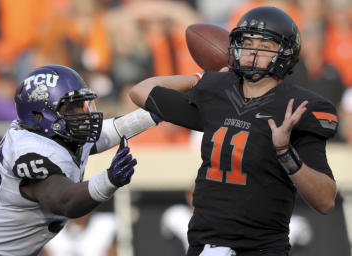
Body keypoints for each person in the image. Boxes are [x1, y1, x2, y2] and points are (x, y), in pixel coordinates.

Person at [129, 6, 338, 256]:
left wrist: (285, 153)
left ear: (285, 53)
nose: (252, 52)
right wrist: (198, 78)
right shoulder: (217, 91)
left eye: (264, 45)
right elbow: (141, 91)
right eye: (247, 42)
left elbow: (325, 200)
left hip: (259, 248)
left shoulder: (299, 107)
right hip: (203, 245)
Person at [0, 64, 161, 255]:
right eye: (72, 108)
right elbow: (63, 200)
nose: (84, 114)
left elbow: (109, 131)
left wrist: (155, 114)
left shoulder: (53, 134)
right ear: (41, 115)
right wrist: (109, 180)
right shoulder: (29, 150)